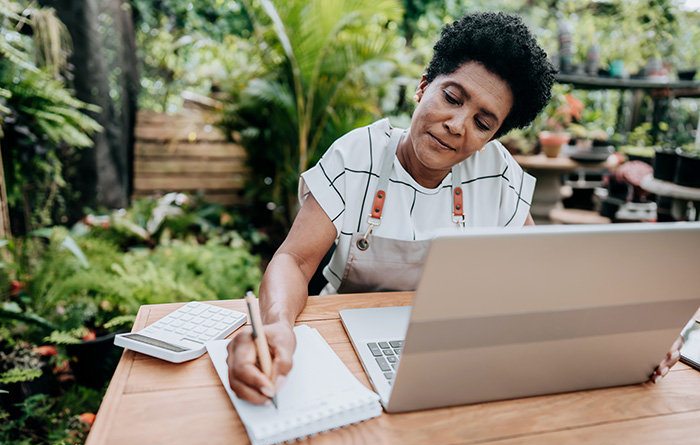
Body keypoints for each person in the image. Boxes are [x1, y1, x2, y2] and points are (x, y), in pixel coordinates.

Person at [226, 11, 676, 405]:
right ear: (424, 87)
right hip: (338, 341)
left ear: (493, 138)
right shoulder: (357, 154)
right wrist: (277, 325)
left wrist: (630, 336)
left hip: (445, 350)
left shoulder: (498, 176)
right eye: (452, 97)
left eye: (483, 122)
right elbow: (293, 259)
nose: (457, 126)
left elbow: (543, 279)